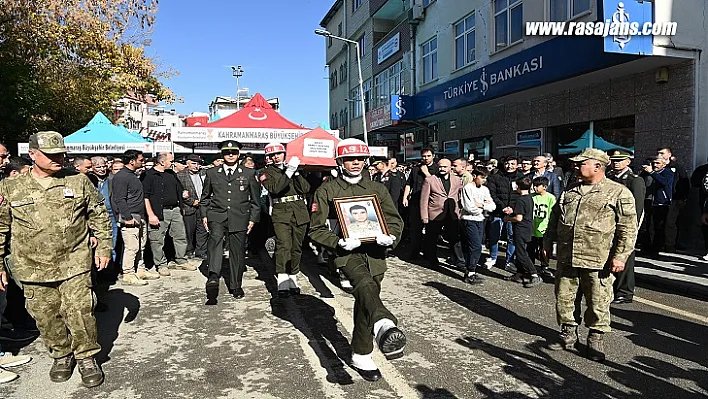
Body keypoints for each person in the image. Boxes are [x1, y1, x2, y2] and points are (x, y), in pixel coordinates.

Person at [0, 131, 112, 387]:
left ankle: (86, 357)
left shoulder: (79, 180)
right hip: (32, 267)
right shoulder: (11, 186)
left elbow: (99, 215)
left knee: (80, 312)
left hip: (74, 262)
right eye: (51, 155)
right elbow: (1, 227)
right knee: (46, 316)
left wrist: (104, 247)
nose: (58, 158)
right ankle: (61, 355)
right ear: (32, 155)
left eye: (61, 153)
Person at [309, 138, 405, 382]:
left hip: (375, 254)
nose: (356, 163)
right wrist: (337, 242)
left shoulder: (377, 189)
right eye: (350, 159)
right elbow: (315, 228)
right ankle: (384, 323)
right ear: (340, 162)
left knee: (366, 297)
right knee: (363, 285)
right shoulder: (327, 190)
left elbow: (394, 219)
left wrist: (390, 237)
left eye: (360, 159)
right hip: (347, 253)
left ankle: (361, 354)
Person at [544, 148, 637, 362]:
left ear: (597, 166)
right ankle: (568, 333)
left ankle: (596, 337)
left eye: (580, 163)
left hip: (599, 259)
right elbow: (555, 219)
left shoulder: (618, 192)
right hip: (568, 256)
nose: (575, 166)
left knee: (598, 300)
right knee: (565, 298)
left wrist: (621, 256)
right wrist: (548, 243)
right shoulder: (570, 191)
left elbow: (628, 228)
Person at [201, 141, 261, 301]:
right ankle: (213, 275)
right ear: (222, 154)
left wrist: (253, 219)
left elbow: (256, 200)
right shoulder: (212, 173)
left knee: (237, 252)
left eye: (233, 152)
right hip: (217, 215)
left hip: (239, 217)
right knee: (215, 241)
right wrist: (204, 215)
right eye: (227, 152)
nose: (230, 154)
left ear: (239, 154)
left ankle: (236, 285)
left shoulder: (248, 173)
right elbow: (205, 197)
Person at [261, 142, 310, 298]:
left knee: (296, 246)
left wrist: (296, 173)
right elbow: (275, 188)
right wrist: (289, 172)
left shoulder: (294, 168)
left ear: (284, 154)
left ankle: (293, 276)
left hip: (299, 211)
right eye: (272, 155)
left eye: (279, 154)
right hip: (281, 212)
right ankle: (282, 278)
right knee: (284, 245)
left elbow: (306, 189)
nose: (276, 157)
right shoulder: (266, 172)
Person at [143, 152, 195, 275]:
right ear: (162, 162)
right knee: (157, 239)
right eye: (170, 161)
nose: (173, 163)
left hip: (175, 210)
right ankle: (161, 264)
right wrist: (150, 214)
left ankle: (181, 260)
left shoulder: (171, 174)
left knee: (180, 236)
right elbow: (145, 196)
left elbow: (179, 188)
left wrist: (183, 193)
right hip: (159, 212)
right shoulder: (149, 175)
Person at [607, 149, 645, 304]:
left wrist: (631, 229)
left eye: (620, 160)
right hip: (608, 224)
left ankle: (624, 291)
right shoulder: (608, 177)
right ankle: (612, 288)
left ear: (628, 161)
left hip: (625, 224)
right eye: (614, 160)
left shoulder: (634, 180)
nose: (616, 163)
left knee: (625, 257)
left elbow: (638, 207)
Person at [111, 150, 151, 285]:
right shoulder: (121, 177)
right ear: (132, 161)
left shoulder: (132, 175)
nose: (143, 162)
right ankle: (128, 273)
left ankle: (140, 269)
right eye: (141, 160)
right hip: (130, 216)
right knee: (132, 247)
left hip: (140, 216)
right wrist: (127, 218)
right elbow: (119, 199)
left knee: (141, 245)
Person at [420, 159, 464, 268]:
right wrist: (424, 216)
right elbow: (424, 199)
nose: (442, 169)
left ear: (450, 168)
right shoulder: (430, 180)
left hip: (452, 214)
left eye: (445, 167)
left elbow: (460, 196)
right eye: (440, 167)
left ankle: (460, 261)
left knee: (455, 238)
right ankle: (432, 260)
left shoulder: (457, 180)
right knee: (432, 238)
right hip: (434, 214)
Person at [486, 156, 524, 271]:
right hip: (497, 211)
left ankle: (509, 261)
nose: (510, 166)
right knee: (494, 236)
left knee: (511, 237)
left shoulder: (521, 177)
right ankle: (492, 257)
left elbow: (522, 194)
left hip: (513, 212)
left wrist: (512, 208)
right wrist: (502, 207)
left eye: (513, 164)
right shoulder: (495, 177)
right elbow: (492, 193)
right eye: (507, 163)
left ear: (517, 165)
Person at [459, 168, 495, 284]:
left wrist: (481, 205)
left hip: (480, 220)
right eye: (482, 177)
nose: (484, 180)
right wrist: (483, 207)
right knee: (475, 246)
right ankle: (470, 271)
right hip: (469, 220)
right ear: (474, 176)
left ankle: (471, 271)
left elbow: (492, 206)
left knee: (477, 245)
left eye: (485, 178)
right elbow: (468, 207)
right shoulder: (467, 188)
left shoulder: (485, 189)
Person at [503, 177, 541, 287]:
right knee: (521, 250)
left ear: (519, 187)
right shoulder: (529, 198)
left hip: (521, 228)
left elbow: (519, 218)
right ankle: (520, 274)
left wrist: (508, 218)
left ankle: (534, 274)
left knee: (521, 253)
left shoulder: (520, 200)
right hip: (528, 227)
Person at [402, 148, 437, 260]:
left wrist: (426, 172)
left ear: (433, 156)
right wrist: (405, 197)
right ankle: (414, 251)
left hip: (430, 203)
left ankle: (429, 254)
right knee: (415, 230)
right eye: (424, 156)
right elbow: (409, 184)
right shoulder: (415, 168)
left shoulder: (437, 168)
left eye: (428, 156)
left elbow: (436, 184)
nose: (425, 158)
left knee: (431, 231)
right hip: (416, 202)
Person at [176, 154, 208, 262]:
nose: (196, 166)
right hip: (189, 207)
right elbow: (180, 192)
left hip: (203, 206)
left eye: (198, 164)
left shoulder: (204, 173)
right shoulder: (180, 175)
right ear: (187, 163)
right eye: (194, 163)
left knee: (202, 230)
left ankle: (201, 251)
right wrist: (191, 201)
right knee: (189, 230)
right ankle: (189, 250)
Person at [642, 156, 674, 256]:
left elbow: (664, 182)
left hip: (661, 203)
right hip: (648, 201)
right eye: (653, 163)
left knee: (658, 227)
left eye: (658, 163)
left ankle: (656, 249)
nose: (655, 165)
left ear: (664, 164)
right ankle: (645, 247)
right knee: (645, 226)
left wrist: (652, 172)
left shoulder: (668, 172)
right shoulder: (647, 172)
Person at [529, 176, 556, 280]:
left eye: (537, 186)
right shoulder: (531, 196)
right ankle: (530, 267)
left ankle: (544, 266)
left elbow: (552, 213)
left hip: (544, 228)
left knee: (544, 250)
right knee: (530, 249)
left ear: (545, 187)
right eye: (534, 185)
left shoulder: (550, 198)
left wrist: (550, 227)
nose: (535, 188)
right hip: (532, 227)